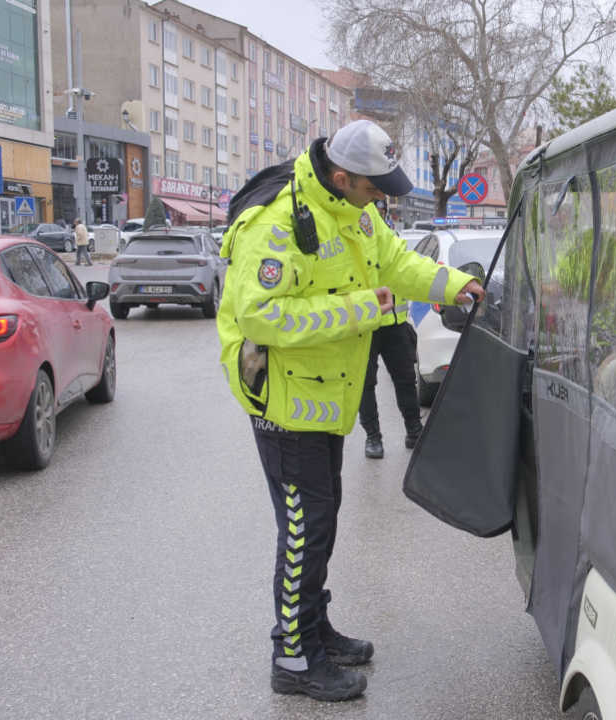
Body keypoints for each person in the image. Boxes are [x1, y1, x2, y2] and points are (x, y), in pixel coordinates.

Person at [216, 119, 484, 702]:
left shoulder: (355, 212)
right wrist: (363, 309)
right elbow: (261, 316)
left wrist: (454, 284)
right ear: (341, 177)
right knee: (304, 529)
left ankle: (313, 629)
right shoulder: (278, 224)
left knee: (323, 519)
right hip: (285, 403)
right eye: (374, 187)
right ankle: (292, 657)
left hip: (325, 399)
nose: (381, 199)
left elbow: (397, 263)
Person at [357, 292, 422, 459]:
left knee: (406, 380)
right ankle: (373, 437)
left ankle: (414, 431)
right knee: (364, 384)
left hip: (396, 324)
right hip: (364, 328)